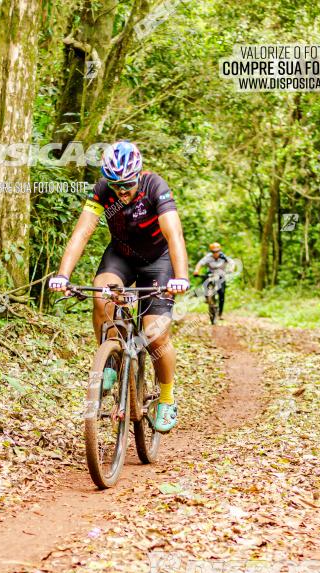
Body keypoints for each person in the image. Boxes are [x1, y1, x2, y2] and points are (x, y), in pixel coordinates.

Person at [48, 141, 189, 433]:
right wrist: (62, 274)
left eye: (127, 184)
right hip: (121, 257)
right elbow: (82, 232)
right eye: (115, 185)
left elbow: (174, 235)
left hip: (157, 262)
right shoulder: (102, 191)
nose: (122, 192)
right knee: (102, 294)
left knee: (156, 336)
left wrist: (181, 277)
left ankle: (166, 398)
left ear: (138, 174)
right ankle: (110, 360)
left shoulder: (154, 186)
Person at [193, 242, 235, 317]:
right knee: (205, 282)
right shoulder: (208, 257)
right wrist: (196, 270)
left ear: (219, 250)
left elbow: (232, 262)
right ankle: (207, 297)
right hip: (211, 274)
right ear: (211, 251)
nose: (215, 253)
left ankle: (220, 314)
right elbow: (200, 264)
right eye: (213, 252)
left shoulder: (223, 257)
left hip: (221, 275)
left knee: (221, 293)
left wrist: (231, 269)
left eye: (217, 251)